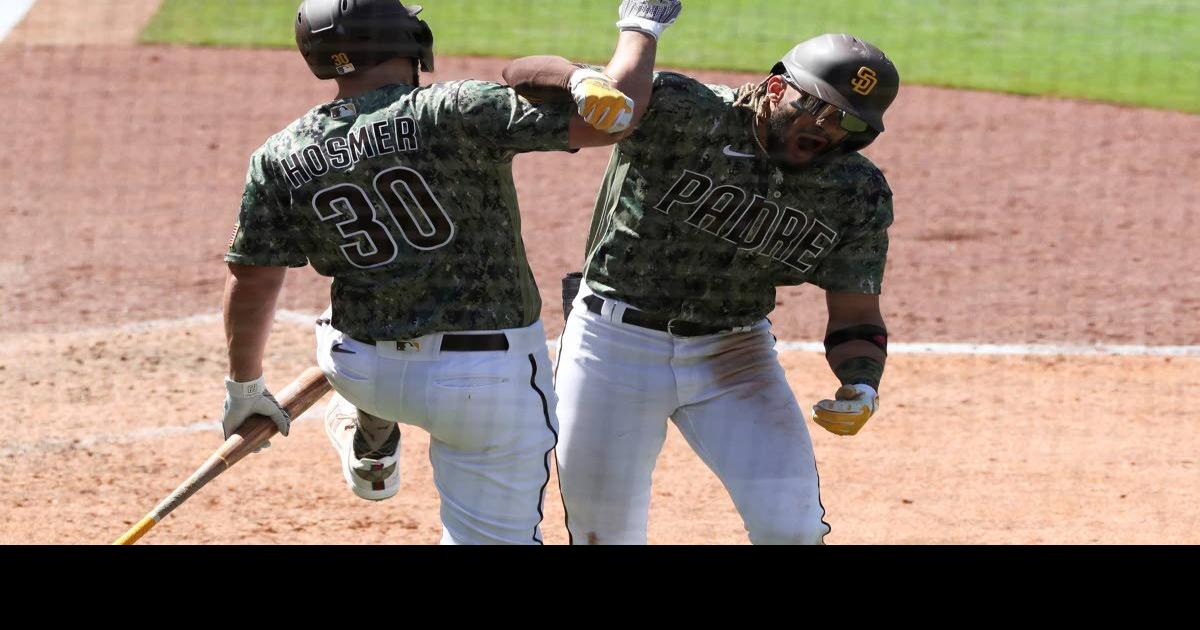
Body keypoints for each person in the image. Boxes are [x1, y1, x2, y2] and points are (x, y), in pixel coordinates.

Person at [218, 0, 683, 544]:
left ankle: (369, 425)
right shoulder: (454, 108)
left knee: (356, 312)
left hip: (362, 366)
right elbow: (616, 118)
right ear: (406, 38)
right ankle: (370, 421)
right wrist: (641, 26)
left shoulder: (280, 155)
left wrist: (244, 386)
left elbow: (252, 279)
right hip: (484, 384)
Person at [505, 33, 900, 544]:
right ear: (777, 87)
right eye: (822, 111)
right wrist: (583, 78)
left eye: (851, 124)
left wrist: (862, 382)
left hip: (735, 354)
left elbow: (856, 313)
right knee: (603, 534)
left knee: (794, 531)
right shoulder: (684, 111)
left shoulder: (855, 191)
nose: (830, 131)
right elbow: (519, 74)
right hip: (612, 346)